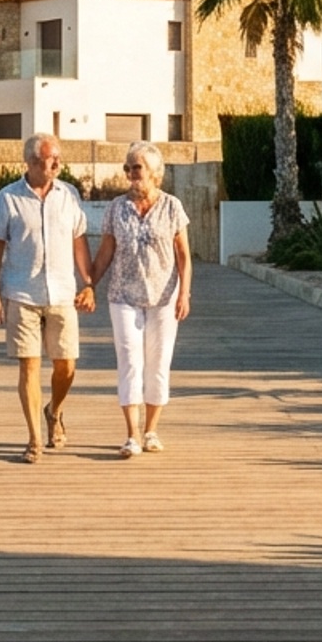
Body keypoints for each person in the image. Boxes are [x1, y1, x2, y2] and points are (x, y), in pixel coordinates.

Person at [0, 132, 95, 463]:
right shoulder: (8, 198)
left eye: (58, 157)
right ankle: (34, 438)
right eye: (52, 159)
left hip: (62, 292)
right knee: (29, 367)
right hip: (21, 292)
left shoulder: (69, 195)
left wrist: (89, 283)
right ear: (33, 162)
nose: (58, 163)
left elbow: (79, 240)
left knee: (66, 366)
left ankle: (54, 410)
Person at [89, 141, 192, 458]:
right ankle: (131, 434)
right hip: (123, 295)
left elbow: (184, 256)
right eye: (128, 167)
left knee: (159, 363)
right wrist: (89, 284)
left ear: (154, 172)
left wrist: (185, 293)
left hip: (164, 296)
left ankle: (151, 430)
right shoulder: (116, 208)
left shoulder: (172, 206)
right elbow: (106, 251)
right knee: (130, 361)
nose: (131, 173)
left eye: (137, 167)